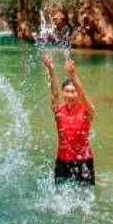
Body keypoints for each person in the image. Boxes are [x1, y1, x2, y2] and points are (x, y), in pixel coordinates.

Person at [43, 56, 96, 185]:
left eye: (73, 92)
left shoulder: (87, 111)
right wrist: (51, 71)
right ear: (63, 93)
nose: (71, 95)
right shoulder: (59, 111)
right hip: (62, 161)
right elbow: (54, 94)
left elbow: (82, 94)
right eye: (67, 91)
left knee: (86, 196)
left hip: (84, 161)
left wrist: (73, 74)